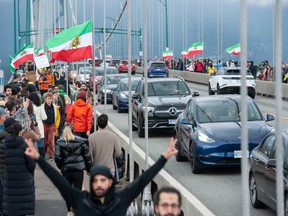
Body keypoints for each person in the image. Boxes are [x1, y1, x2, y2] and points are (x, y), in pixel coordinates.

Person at [25, 136, 178, 216]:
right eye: (95, 180)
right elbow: (58, 180)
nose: (99, 184)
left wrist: (163, 158)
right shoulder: (80, 200)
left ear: (110, 182)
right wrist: (39, 159)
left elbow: (142, 180)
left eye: (102, 180)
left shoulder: (121, 200)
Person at [55, 124, 92, 214]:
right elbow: (87, 156)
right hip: (78, 170)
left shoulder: (60, 142)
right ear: (74, 131)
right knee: (78, 191)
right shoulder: (81, 142)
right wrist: (88, 169)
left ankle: (70, 211)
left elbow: (58, 157)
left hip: (66, 170)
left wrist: (61, 167)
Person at [3, 121, 36, 216]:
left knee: (11, 206)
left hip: (9, 178)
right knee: (22, 208)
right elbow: (31, 164)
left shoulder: (5, 144)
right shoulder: (24, 145)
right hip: (23, 179)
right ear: (20, 132)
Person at [89, 114, 122, 178]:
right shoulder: (113, 136)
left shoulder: (91, 137)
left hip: (96, 169)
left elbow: (90, 155)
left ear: (97, 124)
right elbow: (118, 153)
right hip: (109, 169)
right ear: (107, 124)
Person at [42, 92, 57, 160]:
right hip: (44, 125)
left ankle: (51, 155)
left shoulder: (54, 107)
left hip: (52, 125)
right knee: (45, 140)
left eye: (50, 98)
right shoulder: (42, 107)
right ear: (45, 99)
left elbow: (57, 116)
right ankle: (44, 153)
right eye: (48, 98)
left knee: (51, 140)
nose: (49, 100)